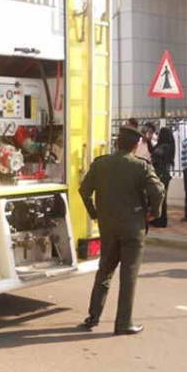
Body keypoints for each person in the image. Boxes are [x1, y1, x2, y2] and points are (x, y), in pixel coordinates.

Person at [79, 126, 165, 336]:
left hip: (108, 227)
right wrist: (154, 213)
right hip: (133, 229)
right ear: (136, 146)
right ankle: (123, 323)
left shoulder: (101, 164)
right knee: (128, 276)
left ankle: (93, 317)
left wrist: (94, 214)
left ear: (117, 142)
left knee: (104, 271)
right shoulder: (141, 167)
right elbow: (158, 191)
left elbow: (84, 190)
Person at [149, 128, 175, 228]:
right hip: (163, 175)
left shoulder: (165, 146)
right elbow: (153, 150)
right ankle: (159, 219)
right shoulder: (167, 146)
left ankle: (161, 221)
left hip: (162, 175)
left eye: (159, 134)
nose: (158, 136)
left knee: (161, 198)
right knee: (160, 198)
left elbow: (155, 153)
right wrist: (148, 142)